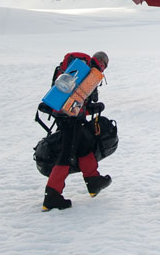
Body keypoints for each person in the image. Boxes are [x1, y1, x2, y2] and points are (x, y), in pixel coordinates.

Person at [42, 51, 112, 211]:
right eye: (104, 65)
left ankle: (93, 181)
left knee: (84, 145)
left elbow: (76, 100)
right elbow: (79, 103)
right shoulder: (91, 73)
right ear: (102, 63)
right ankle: (52, 196)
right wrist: (94, 107)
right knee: (66, 154)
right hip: (70, 118)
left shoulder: (76, 69)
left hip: (64, 114)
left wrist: (91, 108)